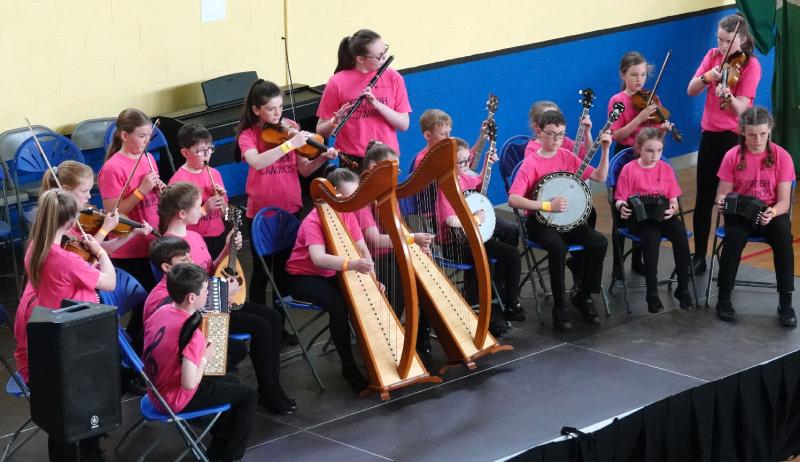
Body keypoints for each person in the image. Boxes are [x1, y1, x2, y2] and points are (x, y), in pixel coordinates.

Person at [156, 183, 295, 414]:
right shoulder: (170, 247)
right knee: (261, 326)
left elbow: (209, 268)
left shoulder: (194, 236)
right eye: (197, 205)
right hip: (201, 310)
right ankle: (268, 390)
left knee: (272, 317)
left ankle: (274, 384)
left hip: (216, 296)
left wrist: (227, 248)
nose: (202, 209)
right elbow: (185, 291)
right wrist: (220, 293)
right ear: (182, 213)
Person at [13, 189, 115, 461]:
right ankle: (91, 454)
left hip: (49, 331)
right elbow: (109, 282)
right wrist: (100, 252)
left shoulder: (35, 245)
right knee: (85, 403)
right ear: (70, 222)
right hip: (74, 337)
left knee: (61, 417)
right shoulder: (65, 258)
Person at [234, 78, 336, 306]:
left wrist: (320, 157)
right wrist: (289, 145)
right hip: (261, 213)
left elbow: (303, 168)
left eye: (280, 107)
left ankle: (281, 324)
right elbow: (257, 162)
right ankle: (266, 318)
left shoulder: (290, 127)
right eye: (270, 109)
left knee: (283, 269)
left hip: (290, 207)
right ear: (256, 109)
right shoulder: (248, 135)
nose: (277, 114)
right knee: (262, 272)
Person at [508, 110, 611, 331]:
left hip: (567, 220)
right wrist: (546, 206)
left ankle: (583, 296)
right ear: (540, 133)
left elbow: (600, 177)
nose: (556, 140)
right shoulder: (531, 162)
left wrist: (605, 149)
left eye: (561, 135)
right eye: (552, 134)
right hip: (539, 221)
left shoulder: (567, 156)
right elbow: (514, 199)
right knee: (558, 248)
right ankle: (559, 307)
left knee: (599, 242)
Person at [143, 263, 256, 462]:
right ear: (192, 298)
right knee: (248, 396)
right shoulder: (192, 333)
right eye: (206, 289)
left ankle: (219, 446)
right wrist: (205, 356)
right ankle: (230, 457)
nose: (209, 293)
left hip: (156, 390)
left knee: (231, 381)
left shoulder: (161, 312)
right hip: (174, 399)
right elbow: (189, 383)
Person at [285, 168, 378, 393]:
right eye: (346, 198)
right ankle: (348, 367)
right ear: (332, 194)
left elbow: (362, 248)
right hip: (302, 278)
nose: (351, 203)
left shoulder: (347, 213)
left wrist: (373, 280)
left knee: (362, 297)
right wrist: (352, 264)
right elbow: (318, 259)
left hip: (331, 274)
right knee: (339, 306)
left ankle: (373, 358)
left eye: (354, 198)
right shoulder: (313, 220)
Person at [687, 12, 761, 275]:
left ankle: (729, 256)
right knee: (704, 197)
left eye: (727, 40)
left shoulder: (751, 65)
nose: (722, 45)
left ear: (741, 39)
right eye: (719, 39)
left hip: (734, 138)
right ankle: (698, 255)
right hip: (710, 135)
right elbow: (691, 89)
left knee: (731, 199)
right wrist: (707, 77)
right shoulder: (713, 57)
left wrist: (729, 97)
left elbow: (743, 109)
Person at [713, 106, 795, 327]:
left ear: (769, 130)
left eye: (762, 134)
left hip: (770, 210)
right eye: (751, 135)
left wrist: (773, 212)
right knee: (734, 238)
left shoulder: (782, 157)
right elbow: (723, 193)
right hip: (740, 213)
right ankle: (724, 299)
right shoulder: (732, 156)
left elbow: (784, 201)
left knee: (783, 236)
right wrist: (722, 202)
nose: (757, 139)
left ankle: (786, 303)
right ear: (742, 133)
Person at [437, 137, 525, 332]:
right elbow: (450, 220)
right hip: (455, 243)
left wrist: (487, 164)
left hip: (475, 238)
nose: (467, 165)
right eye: (462, 162)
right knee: (484, 262)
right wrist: (474, 219)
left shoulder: (466, 176)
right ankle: (483, 313)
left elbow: (479, 182)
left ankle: (510, 302)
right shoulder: (445, 186)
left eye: (468, 160)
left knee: (512, 254)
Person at [614, 128, 693, 313]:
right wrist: (621, 208)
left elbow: (673, 200)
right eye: (650, 150)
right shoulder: (629, 169)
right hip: (639, 218)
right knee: (651, 240)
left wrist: (672, 209)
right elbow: (619, 199)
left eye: (659, 151)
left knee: (681, 237)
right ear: (639, 148)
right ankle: (652, 293)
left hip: (662, 215)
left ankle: (683, 289)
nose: (655, 155)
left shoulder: (666, 169)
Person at [316, 28, 411, 168]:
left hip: (387, 156)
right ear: (360, 59)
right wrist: (334, 121)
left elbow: (404, 124)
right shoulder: (337, 82)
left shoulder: (394, 78)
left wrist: (376, 104)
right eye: (378, 56)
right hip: (353, 160)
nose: (384, 58)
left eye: (385, 51)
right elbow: (320, 130)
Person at [98, 108, 165, 292]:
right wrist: (141, 190)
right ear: (125, 135)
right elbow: (113, 212)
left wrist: (161, 192)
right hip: (129, 248)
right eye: (142, 135)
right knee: (142, 306)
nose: (147, 140)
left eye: (149, 135)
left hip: (152, 241)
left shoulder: (148, 157)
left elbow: (153, 199)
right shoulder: (112, 168)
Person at [169, 123, 228, 259]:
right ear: (185, 153)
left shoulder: (214, 173)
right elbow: (177, 221)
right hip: (194, 241)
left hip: (219, 234)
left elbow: (226, 213)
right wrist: (205, 209)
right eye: (201, 151)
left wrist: (222, 200)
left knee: (220, 277)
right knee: (203, 278)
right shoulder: (178, 181)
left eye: (210, 149)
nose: (207, 155)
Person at [608, 51, 674, 154]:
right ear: (623, 75)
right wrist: (639, 119)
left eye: (643, 75)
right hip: (626, 152)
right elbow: (617, 136)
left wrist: (663, 130)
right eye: (634, 75)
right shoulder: (617, 101)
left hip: (649, 151)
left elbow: (657, 135)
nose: (639, 79)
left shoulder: (652, 98)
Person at [526, 100, 592, 160]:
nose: (555, 122)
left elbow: (588, 152)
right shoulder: (532, 150)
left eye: (558, 118)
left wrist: (587, 133)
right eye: (549, 119)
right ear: (536, 126)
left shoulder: (563, 140)